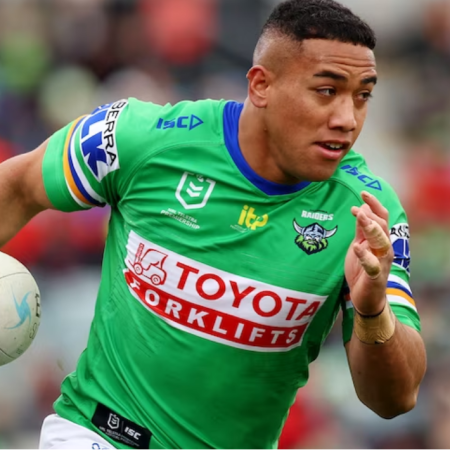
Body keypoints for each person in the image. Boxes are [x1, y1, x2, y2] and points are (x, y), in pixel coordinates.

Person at [0, 0, 426, 448]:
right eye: (326, 91)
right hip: (98, 435)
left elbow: (395, 399)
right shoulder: (142, 139)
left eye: (362, 96)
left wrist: (372, 310)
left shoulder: (368, 214)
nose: (347, 119)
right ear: (261, 85)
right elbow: (19, 186)